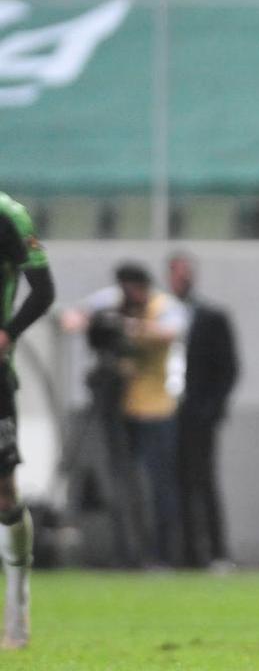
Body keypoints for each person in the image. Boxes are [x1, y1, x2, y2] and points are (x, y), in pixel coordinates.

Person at [63, 263, 188, 568]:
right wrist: (97, 322)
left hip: (157, 407)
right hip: (122, 404)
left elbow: (171, 332)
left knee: (159, 485)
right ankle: (128, 553)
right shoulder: (112, 301)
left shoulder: (164, 306)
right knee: (122, 482)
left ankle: (163, 554)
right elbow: (71, 319)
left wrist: (129, 327)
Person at [0, 193, 54, 649]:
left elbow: (44, 291)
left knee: (3, 493)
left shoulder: (9, 216)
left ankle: (17, 608)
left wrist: (8, 333)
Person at [167, 253, 239, 570]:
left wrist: (212, 408)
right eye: (177, 273)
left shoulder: (211, 317)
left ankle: (217, 551)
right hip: (165, 412)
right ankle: (186, 553)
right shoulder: (160, 314)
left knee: (204, 481)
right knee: (175, 484)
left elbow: (229, 368)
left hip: (199, 413)